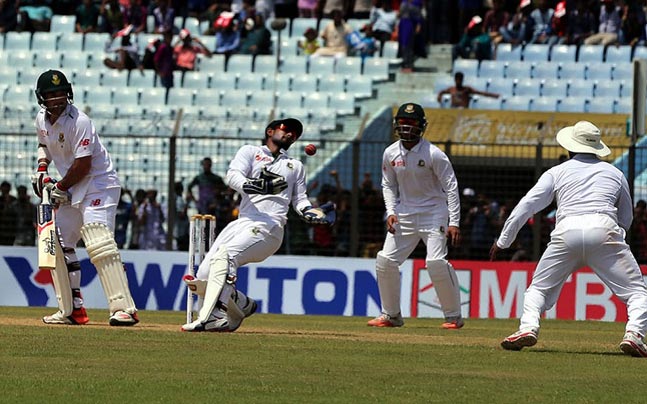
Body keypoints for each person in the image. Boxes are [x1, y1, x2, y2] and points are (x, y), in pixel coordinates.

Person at [490, 121, 647, 357]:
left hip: (566, 232)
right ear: (596, 147)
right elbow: (626, 216)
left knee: (538, 289)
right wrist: (616, 236)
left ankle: (528, 327)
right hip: (604, 229)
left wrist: (504, 240)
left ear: (570, 148)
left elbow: (527, 205)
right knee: (637, 293)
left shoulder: (557, 172)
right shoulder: (615, 173)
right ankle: (634, 333)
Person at [181, 118, 336, 332]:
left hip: (270, 226)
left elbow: (300, 200)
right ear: (270, 131)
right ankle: (242, 304)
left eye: (296, 133)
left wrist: (310, 212)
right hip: (243, 222)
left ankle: (215, 316)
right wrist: (258, 186)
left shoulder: (295, 166)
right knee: (204, 276)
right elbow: (233, 177)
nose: (291, 134)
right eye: (286, 129)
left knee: (226, 257)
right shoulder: (250, 151)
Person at [31, 69, 139, 326]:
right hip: (71, 187)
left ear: (67, 92)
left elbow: (84, 165)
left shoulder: (79, 120)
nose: (56, 98)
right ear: (41, 98)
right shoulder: (41, 120)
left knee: (98, 241)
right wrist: (41, 168)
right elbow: (44, 146)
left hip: (99, 184)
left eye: (60, 93)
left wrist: (59, 186)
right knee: (58, 241)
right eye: (50, 94)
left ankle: (124, 308)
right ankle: (72, 309)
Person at [367, 103, 463, 329]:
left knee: (435, 262)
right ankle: (391, 315)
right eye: (403, 123)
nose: (406, 127)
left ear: (421, 127)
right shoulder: (390, 152)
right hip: (404, 214)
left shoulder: (434, 154)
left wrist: (454, 222)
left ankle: (453, 317)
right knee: (385, 261)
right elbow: (388, 185)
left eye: (411, 123)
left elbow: (451, 187)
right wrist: (390, 212)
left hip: (434, 213)